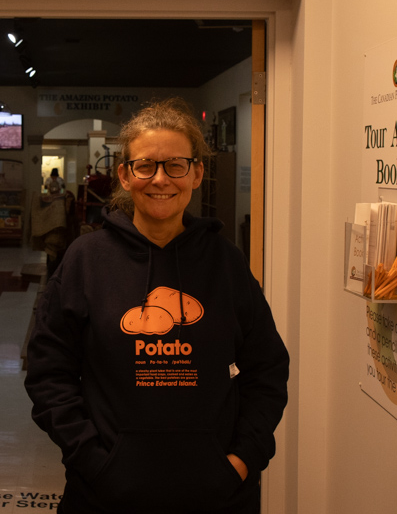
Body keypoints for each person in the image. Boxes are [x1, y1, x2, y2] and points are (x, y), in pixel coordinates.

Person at [25, 97, 289, 514]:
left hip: (217, 496)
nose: (161, 179)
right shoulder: (85, 260)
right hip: (103, 496)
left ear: (197, 173)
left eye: (176, 165)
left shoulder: (226, 262)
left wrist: (241, 461)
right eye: (146, 165)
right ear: (125, 175)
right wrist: (94, 461)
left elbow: (267, 369)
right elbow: (47, 374)